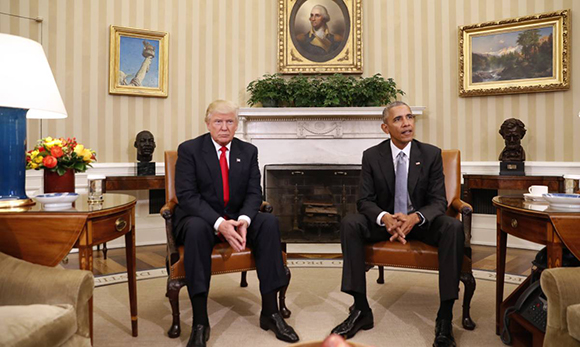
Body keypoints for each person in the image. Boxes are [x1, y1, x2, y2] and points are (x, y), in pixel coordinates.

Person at [331, 101, 464, 347]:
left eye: (409, 117)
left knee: (453, 227)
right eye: (398, 119)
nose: (407, 123)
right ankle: (360, 309)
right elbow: (364, 200)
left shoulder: (431, 154)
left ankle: (444, 317)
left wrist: (414, 218)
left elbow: (438, 201)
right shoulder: (372, 156)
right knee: (351, 223)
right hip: (386, 223)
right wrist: (386, 218)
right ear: (385, 127)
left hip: (421, 222)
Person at [173, 100, 299, 347]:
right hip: (201, 219)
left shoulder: (248, 151)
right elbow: (187, 196)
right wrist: (220, 223)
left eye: (229, 121)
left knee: (269, 223)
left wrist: (243, 221)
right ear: (208, 124)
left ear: (236, 124)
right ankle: (200, 321)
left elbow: (254, 192)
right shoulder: (189, 150)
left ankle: (271, 313)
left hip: (237, 217)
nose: (224, 127)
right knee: (197, 230)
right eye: (218, 121)